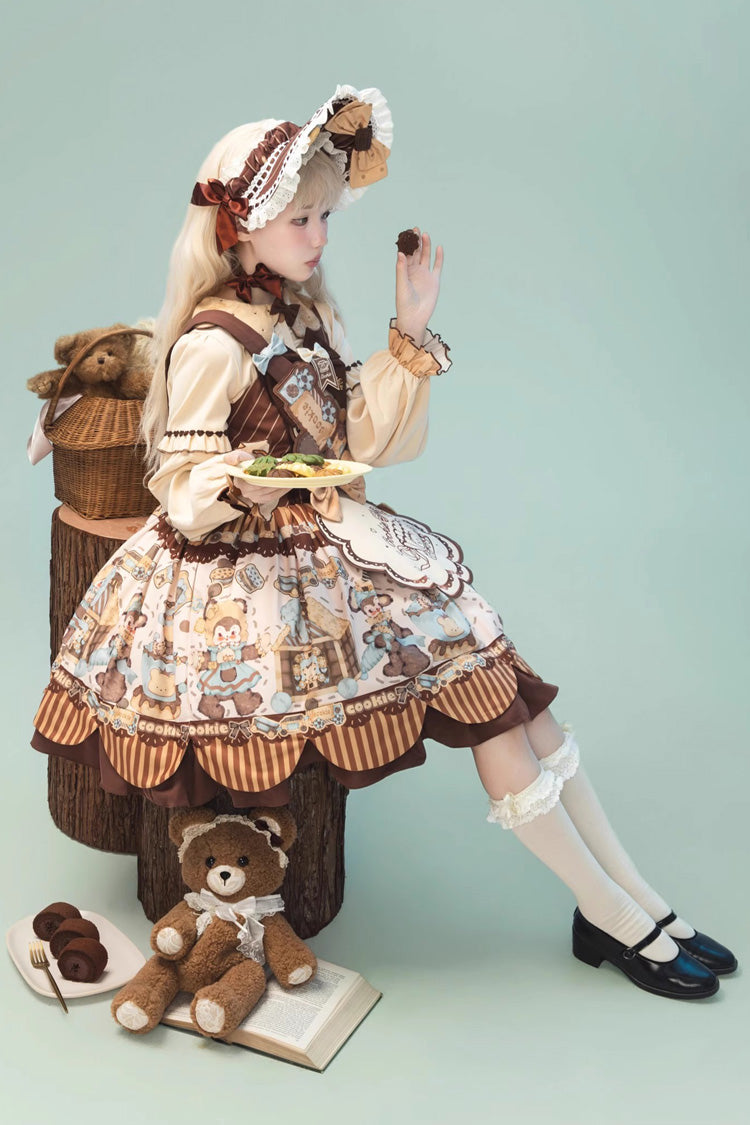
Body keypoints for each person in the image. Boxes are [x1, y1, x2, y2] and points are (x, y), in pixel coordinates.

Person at [32, 84, 736, 1000]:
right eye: (300, 218)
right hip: (243, 578)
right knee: (492, 703)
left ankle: (636, 899)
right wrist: (249, 480)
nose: (319, 235)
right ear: (238, 226)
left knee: (512, 695)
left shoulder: (300, 318)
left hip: (327, 542)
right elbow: (181, 483)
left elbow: (358, 438)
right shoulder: (212, 342)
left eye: (325, 215)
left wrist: (409, 329)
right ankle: (612, 913)